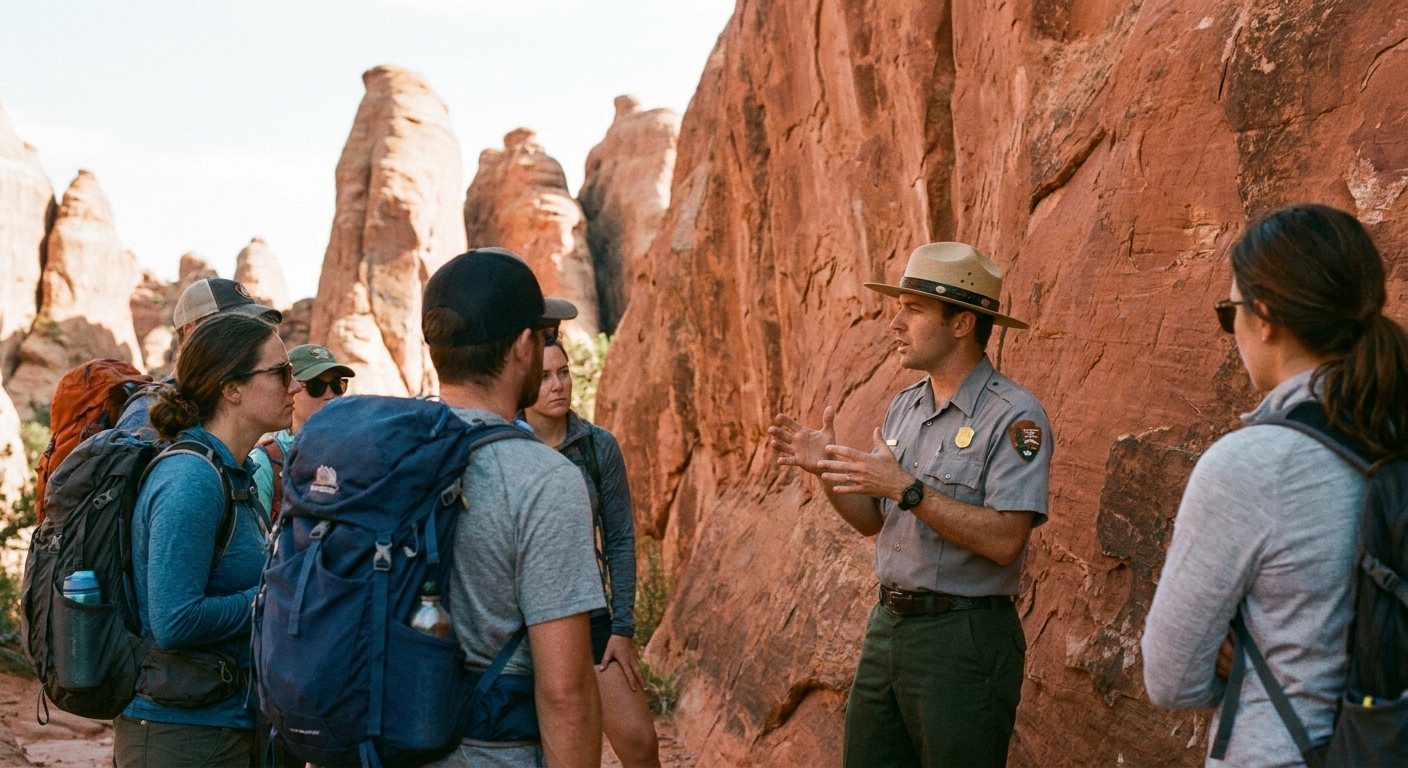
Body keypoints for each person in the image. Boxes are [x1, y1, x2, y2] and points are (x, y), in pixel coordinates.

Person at [1142, 204, 1408, 766]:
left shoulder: (1253, 465)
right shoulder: (1395, 432)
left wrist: (1240, 657)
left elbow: (1170, 678)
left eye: (1229, 310)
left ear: (1263, 317)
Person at [770, 242, 1052, 767]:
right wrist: (828, 469)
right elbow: (873, 525)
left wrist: (906, 488)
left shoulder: (1015, 419)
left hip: (963, 639)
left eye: (913, 309)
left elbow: (1005, 539)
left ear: (962, 323)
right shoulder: (906, 405)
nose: (895, 323)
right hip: (889, 627)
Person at [422, 247, 606, 768]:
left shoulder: (381, 457)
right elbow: (566, 692)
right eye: (546, 336)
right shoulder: (545, 480)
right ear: (524, 347)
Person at [114, 313, 299, 767]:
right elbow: (175, 620)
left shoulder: (229, 471)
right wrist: (273, 599)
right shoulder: (191, 478)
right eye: (280, 373)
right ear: (230, 389)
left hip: (219, 725)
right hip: (182, 737)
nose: (294, 387)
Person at [522, 336, 661, 768]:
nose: (557, 385)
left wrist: (623, 628)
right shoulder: (509, 446)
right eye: (543, 377)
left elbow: (619, 538)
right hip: (528, 622)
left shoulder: (598, 446)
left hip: (593, 617)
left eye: (563, 373)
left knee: (640, 743)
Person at [115, 277, 283, 440]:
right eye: (231, 328)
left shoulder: (219, 401)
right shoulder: (148, 410)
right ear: (191, 331)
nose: (243, 339)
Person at [249, 343, 355, 523]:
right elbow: (258, 542)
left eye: (337, 385)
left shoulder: (356, 451)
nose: (330, 395)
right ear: (290, 389)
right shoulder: (265, 463)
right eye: (316, 386)